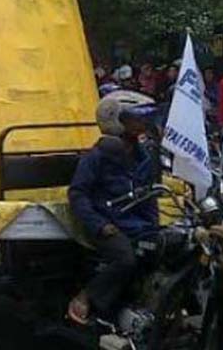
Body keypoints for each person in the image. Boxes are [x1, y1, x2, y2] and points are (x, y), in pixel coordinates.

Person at [66, 90, 160, 324]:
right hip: (108, 223)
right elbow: (77, 193)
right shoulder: (96, 157)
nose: (143, 123)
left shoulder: (144, 156)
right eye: (136, 118)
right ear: (118, 121)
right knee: (125, 258)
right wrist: (100, 225)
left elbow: (149, 194)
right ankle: (86, 296)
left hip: (136, 222)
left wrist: (155, 226)